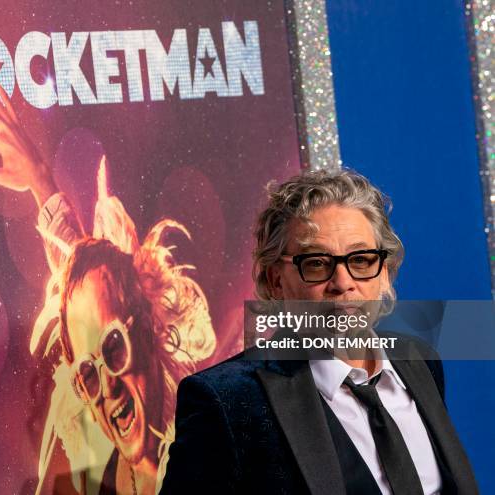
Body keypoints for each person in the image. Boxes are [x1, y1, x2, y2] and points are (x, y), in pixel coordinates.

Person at [0, 77, 217, 494]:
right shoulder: (95, 462)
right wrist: (40, 180)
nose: (108, 389)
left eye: (114, 347)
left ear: (149, 327)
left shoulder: (205, 457)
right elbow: (89, 293)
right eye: (87, 374)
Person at [160, 170, 479, 494]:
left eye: (361, 259)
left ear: (384, 272)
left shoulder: (420, 362)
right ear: (275, 280)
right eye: (315, 263)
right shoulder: (227, 399)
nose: (342, 283)